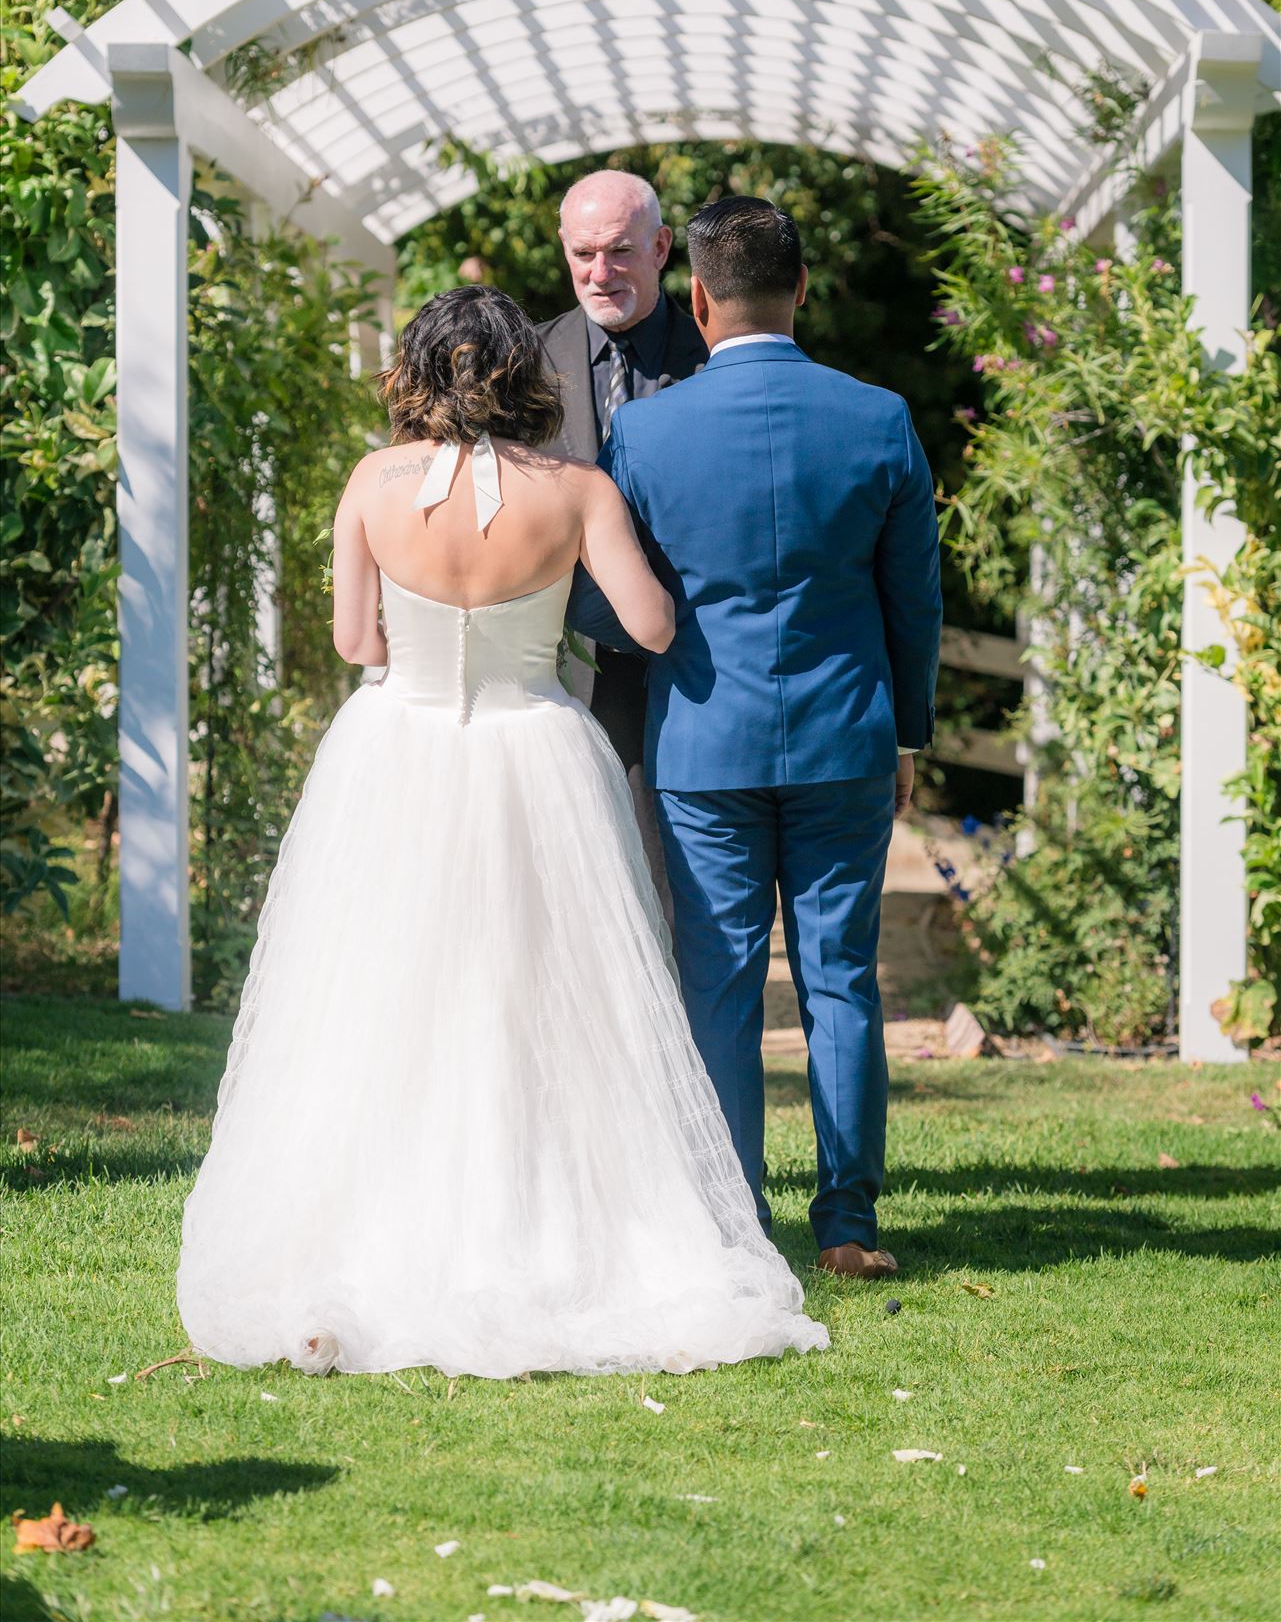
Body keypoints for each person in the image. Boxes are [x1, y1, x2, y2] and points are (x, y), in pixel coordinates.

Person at [176, 284, 827, 1379]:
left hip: (398, 752)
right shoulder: (576, 489)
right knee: (545, 998)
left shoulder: (372, 483)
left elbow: (352, 643)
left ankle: (379, 1227)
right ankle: (541, 1224)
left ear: (417, 372)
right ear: (529, 373)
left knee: (386, 994)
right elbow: (654, 626)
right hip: (535, 753)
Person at [568, 198, 943, 1280]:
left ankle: (735, 1222)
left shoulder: (645, 430)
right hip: (845, 741)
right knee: (841, 980)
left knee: (719, 984)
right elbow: (912, 598)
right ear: (805, 290)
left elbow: (607, 605)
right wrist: (908, 732)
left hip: (701, 744)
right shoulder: (878, 419)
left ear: (696, 296)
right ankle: (849, 1225)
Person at [538, 173, 705, 899]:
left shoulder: (713, 357)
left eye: (618, 251)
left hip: (691, 671)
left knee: (672, 896)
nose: (598, 274)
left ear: (661, 247)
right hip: (557, 674)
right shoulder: (528, 360)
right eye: (582, 254)